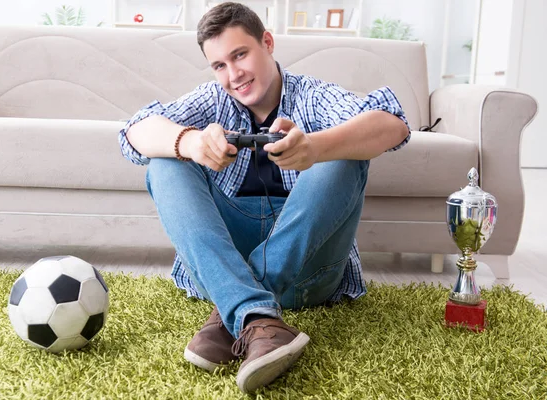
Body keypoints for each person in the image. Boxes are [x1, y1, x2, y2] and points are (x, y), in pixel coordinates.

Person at [118, 2, 410, 393]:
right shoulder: (214, 100)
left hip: (308, 273)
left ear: (267, 43)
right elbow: (134, 130)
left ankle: (236, 310)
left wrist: (315, 147)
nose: (233, 75)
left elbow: (392, 122)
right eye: (219, 65)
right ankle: (255, 311)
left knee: (343, 157)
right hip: (222, 266)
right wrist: (189, 142)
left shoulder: (312, 96)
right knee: (165, 163)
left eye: (240, 55)